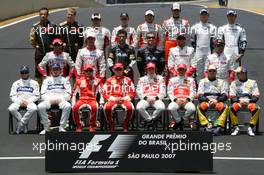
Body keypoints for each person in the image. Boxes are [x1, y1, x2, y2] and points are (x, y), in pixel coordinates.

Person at [38, 63, 72, 134]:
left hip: (61, 100)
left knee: (68, 106)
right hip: (49, 100)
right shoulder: (46, 80)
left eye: (57, 69)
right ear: (51, 71)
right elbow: (43, 93)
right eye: (54, 70)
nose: (55, 71)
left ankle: (62, 127)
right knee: (40, 106)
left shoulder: (65, 80)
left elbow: (69, 93)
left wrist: (61, 99)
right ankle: (46, 127)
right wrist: (49, 99)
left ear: (60, 70)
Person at [103, 63, 135, 132]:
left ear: (123, 70)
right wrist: (115, 99)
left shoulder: (128, 80)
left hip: (124, 99)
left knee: (130, 108)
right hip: (113, 100)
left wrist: (123, 99)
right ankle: (111, 124)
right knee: (107, 107)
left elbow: (132, 92)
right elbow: (105, 92)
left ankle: (125, 124)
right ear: (114, 70)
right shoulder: (109, 80)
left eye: (120, 69)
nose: (118, 71)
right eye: (116, 69)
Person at [197, 65, 229, 136]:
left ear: (216, 72)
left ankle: (219, 127)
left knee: (224, 107)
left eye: (214, 71)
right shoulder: (202, 81)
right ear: (207, 72)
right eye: (210, 71)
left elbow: (225, 95)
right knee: (199, 107)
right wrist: (208, 100)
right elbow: (200, 95)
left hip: (218, 101)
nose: (212, 72)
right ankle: (205, 126)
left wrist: (216, 100)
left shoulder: (222, 82)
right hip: (206, 101)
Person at [29, 7, 58, 85]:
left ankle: (51, 86)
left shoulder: (53, 26)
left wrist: (54, 47)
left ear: (48, 15)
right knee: (38, 70)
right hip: (39, 51)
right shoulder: (35, 27)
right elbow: (32, 39)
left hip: (51, 52)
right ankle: (38, 88)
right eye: (41, 14)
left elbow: (57, 38)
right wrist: (36, 46)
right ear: (39, 15)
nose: (43, 16)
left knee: (52, 69)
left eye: (45, 14)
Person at [71, 64, 103, 132]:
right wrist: (73, 103)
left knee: (95, 107)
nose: (88, 72)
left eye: (90, 71)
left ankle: (92, 126)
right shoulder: (79, 80)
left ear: (92, 71)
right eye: (87, 71)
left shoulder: (97, 80)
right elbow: (73, 93)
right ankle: (79, 125)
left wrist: (101, 102)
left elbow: (102, 92)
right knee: (75, 108)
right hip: (81, 99)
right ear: (84, 72)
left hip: (92, 99)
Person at [229, 66, 260, 136]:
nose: (237, 74)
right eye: (237, 73)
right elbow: (232, 96)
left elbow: (256, 96)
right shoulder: (234, 83)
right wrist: (240, 101)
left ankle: (250, 128)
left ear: (244, 73)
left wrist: (248, 101)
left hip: (249, 102)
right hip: (238, 102)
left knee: (256, 108)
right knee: (231, 108)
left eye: (239, 73)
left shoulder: (253, 82)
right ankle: (236, 127)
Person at [8, 66, 40, 134]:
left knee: (34, 108)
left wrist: (27, 102)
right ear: (20, 73)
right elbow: (12, 96)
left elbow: (37, 95)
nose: (24, 74)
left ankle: (21, 124)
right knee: (11, 109)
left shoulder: (34, 83)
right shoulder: (15, 83)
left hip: (30, 101)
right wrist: (19, 102)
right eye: (22, 72)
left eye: (26, 72)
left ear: (28, 73)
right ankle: (24, 123)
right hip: (18, 101)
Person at [136, 62, 166, 129]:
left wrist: (156, 98)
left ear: (155, 69)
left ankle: (151, 119)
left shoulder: (161, 79)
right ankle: (150, 120)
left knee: (161, 107)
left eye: (152, 69)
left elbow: (163, 91)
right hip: (145, 99)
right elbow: (139, 91)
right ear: (146, 70)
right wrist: (146, 98)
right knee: (139, 107)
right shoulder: (142, 79)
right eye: (149, 69)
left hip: (156, 99)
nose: (151, 70)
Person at [167, 64, 196, 130]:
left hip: (186, 100)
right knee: (171, 108)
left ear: (185, 70)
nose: (181, 71)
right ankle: (178, 121)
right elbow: (169, 92)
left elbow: (193, 91)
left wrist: (188, 99)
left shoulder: (191, 80)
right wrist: (175, 99)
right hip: (176, 100)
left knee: (192, 109)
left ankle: (182, 120)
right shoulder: (172, 80)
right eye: (180, 69)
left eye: (183, 69)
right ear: (177, 70)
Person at [190, 8, 217, 81]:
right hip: (198, 52)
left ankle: (207, 87)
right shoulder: (194, 27)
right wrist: (196, 49)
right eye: (202, 14)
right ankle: (199, 88)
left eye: (205, 14)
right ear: (200, 15)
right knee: (198, 71)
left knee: (208, 69)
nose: (204, 16)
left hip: (208, 52)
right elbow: (192, 40)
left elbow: (214, 41)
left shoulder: (213, 28)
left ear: (208, 16)